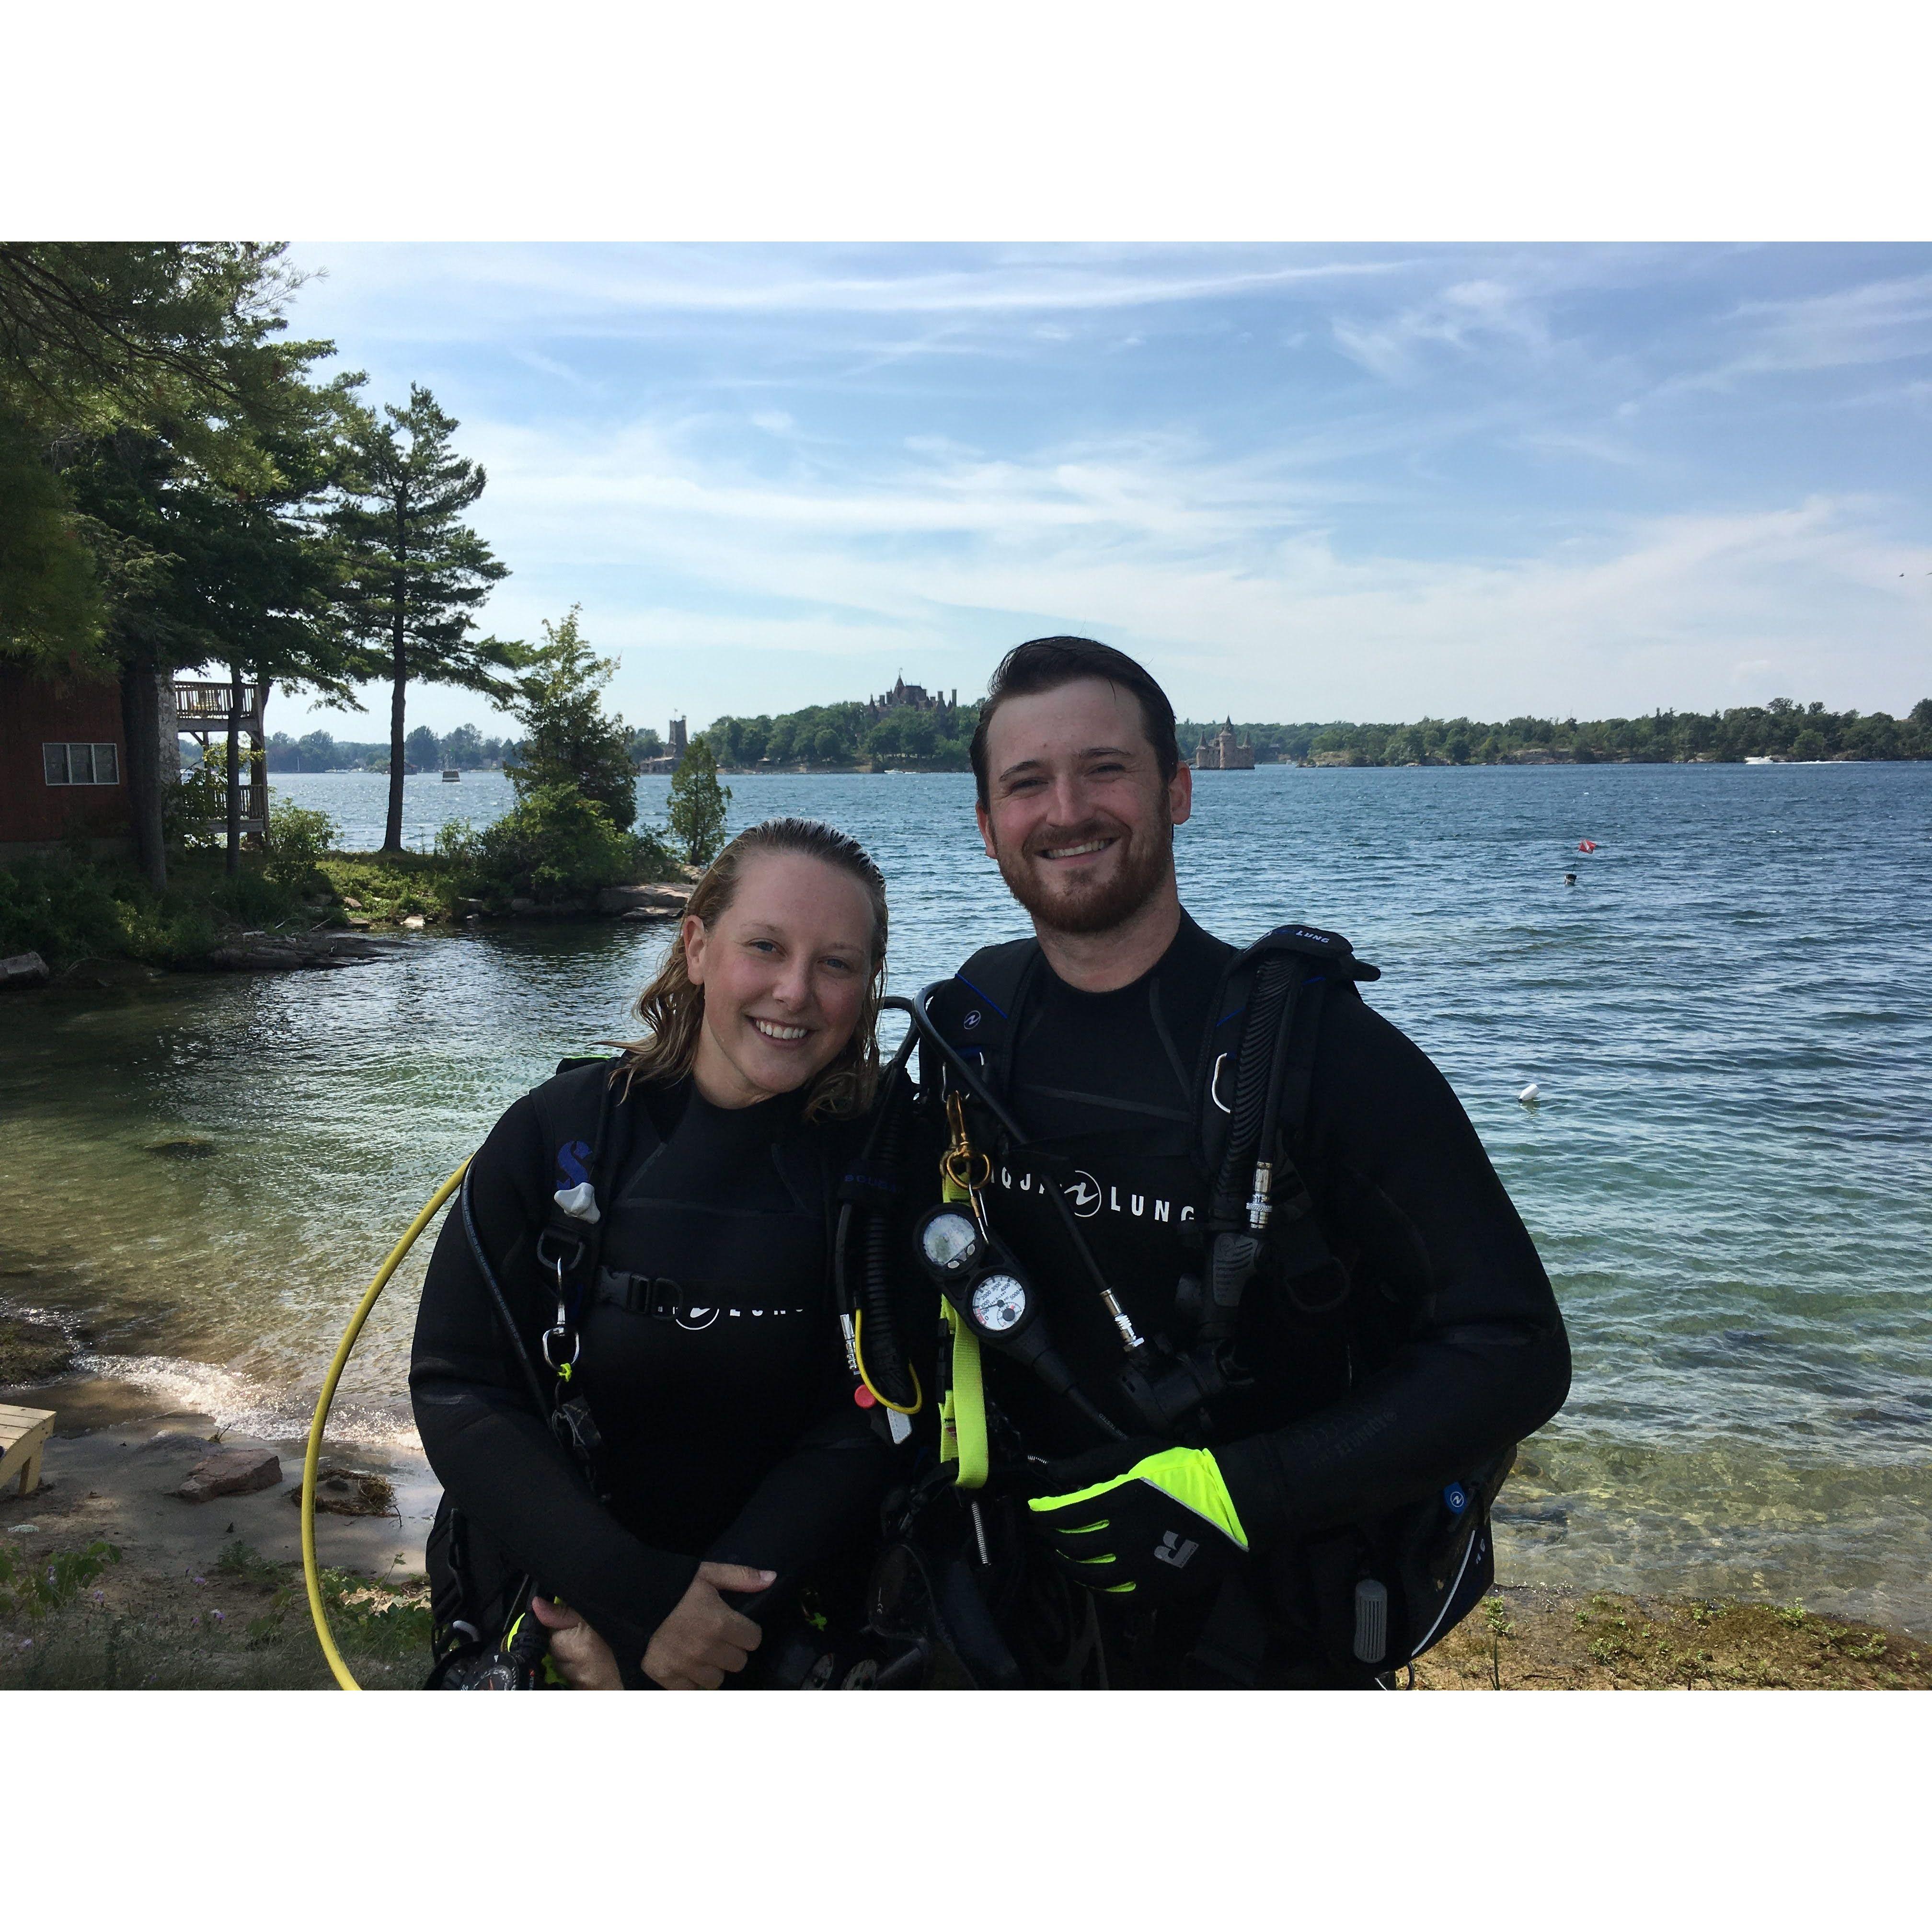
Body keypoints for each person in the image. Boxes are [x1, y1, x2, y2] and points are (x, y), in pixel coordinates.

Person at [912, 636, 1572, 1687]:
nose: (1067, 810)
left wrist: (1243, 1492)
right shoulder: (970, 1028)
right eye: (1027, 783)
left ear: (1177, 791)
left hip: (1268, 1627)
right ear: (988, 825)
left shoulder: (1313, 1049)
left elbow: (1516, 1347)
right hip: (1022, 1616)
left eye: (1105, 769)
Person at [410, 817, 896, 1689]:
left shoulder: (888, 1165)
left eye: (836, 964)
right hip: (567, 1600)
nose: (794, 991)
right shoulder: (559, 1132)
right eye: (765, 947)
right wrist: (630, 1596)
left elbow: (878, 1418)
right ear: (697, 947)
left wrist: (708, 1626)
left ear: (867, 987)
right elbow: (459, 1386)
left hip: (778, 1616)